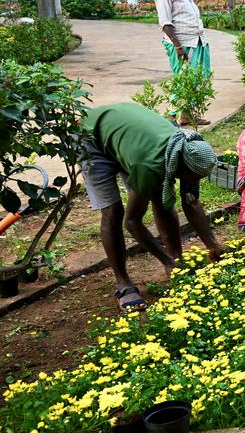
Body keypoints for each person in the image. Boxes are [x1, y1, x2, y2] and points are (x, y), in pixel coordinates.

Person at [80, 102, 225, 311]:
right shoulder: (150, 165)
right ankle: (123, 282)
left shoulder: (191, 153)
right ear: (179, 167)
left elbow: (190, 201)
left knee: (160, 197)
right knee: (114, 211)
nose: (193, 181)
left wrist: (213, 245)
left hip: (130, 136)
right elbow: (132, 223)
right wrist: (165, 260)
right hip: (93, 136)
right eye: (192, 178)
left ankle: (177, 261)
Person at [154, 0, 210, 125]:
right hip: (182, 44)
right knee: (182, 79)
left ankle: (187, 115)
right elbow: (165, 23)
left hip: (197, 40)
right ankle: (170, 116)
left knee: (196, 78)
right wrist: (178, 46)